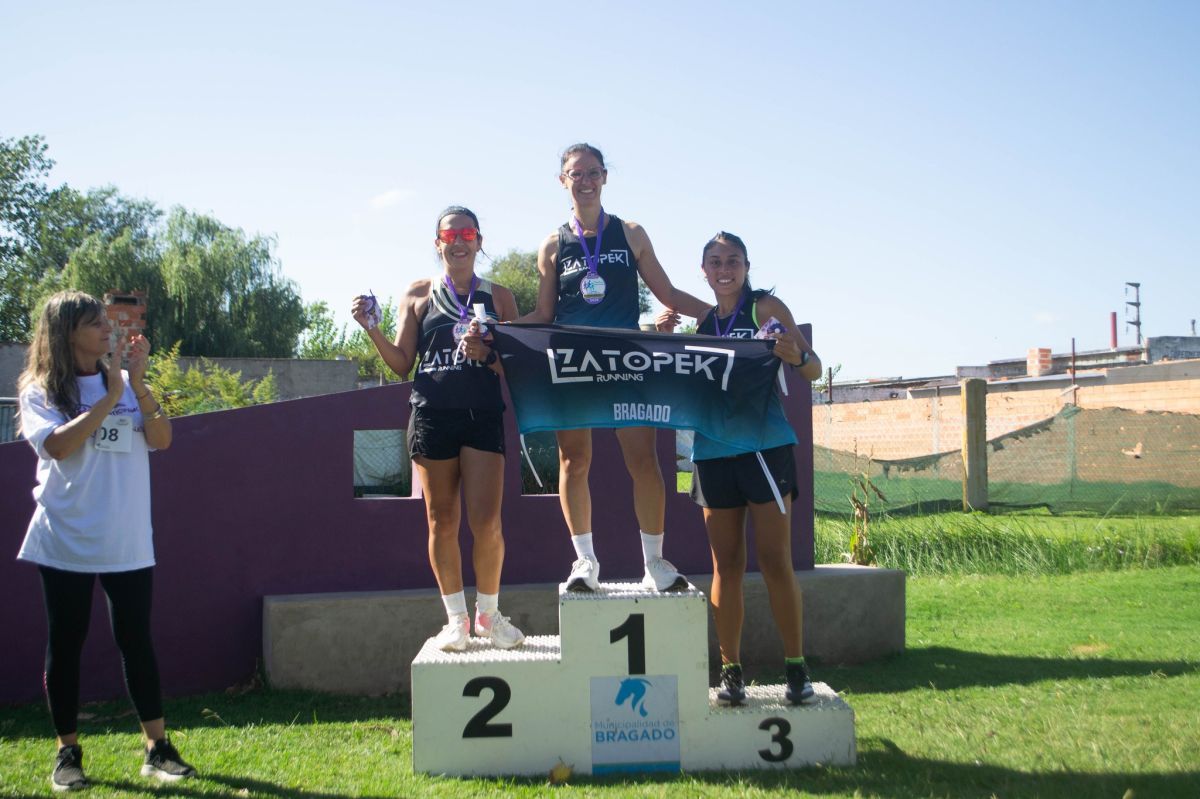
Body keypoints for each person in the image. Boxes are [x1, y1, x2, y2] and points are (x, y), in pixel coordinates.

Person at [16, 291, 196, 791]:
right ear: (67, 332)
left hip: (127, 537)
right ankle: (67, 753)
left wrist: (136, 386)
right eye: (95, 323)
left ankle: (157, 748)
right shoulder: (41, 390)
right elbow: (56, 445)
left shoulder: (122, 384)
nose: (106, 330)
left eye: (105, 322)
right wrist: (111, 398)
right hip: (66, 535)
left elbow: (161, 440)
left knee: (136, 640)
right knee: (66, 643)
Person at [518, 142, 713, 593]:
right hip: (575, 365)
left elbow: (668, 295)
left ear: (605, 177)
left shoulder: (631, 232)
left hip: (626, 363)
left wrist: (722, 317)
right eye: (575, 173)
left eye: (592, 173)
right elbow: (544, 314)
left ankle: (655, 563)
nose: (584, 181)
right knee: (574, 461)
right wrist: (496, 328)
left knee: (644, 461)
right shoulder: (552, 244)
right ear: (562, 181)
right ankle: (585, 561)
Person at [656, 231, 822, 705]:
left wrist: (799, 355)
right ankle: (731, 673)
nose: (724, 267)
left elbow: (812, 370)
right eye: (715, 261)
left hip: (764, 452)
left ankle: (796, 670)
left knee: (774, 561)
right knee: (724, 566)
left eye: (732, 260)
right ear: (703, 271)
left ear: (746, 267)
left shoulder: (766, 309)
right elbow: (686, 389)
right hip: (711, 455)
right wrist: (666, 344)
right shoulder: (705, 323)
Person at [352, 206, 525, 652]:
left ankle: (489, 614)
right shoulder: (418, 293)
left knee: (487, 523)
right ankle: (456, 621)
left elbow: (515, 367)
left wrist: (484, 355)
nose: (459, 241)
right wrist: (370, 328)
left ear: (479, 241)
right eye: (450, 234)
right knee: (441, 521)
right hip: (432, 414)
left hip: (482, 414)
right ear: (438, 243)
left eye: (467, 233)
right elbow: (400, 363)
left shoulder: (500, 297)